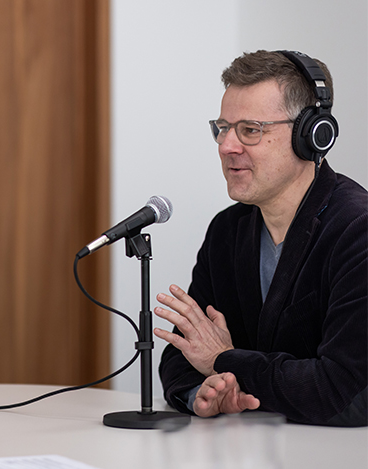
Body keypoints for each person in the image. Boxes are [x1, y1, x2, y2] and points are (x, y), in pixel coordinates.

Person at [153, 50, 367, 426]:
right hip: (245, 450)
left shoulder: (357, 230)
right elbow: (182, 354)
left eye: (250, 130)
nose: (226, 146)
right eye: (222, 127)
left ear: (312, 135)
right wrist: (201, 394)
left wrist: (224, 359)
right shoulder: (227, 231)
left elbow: (339, 390)